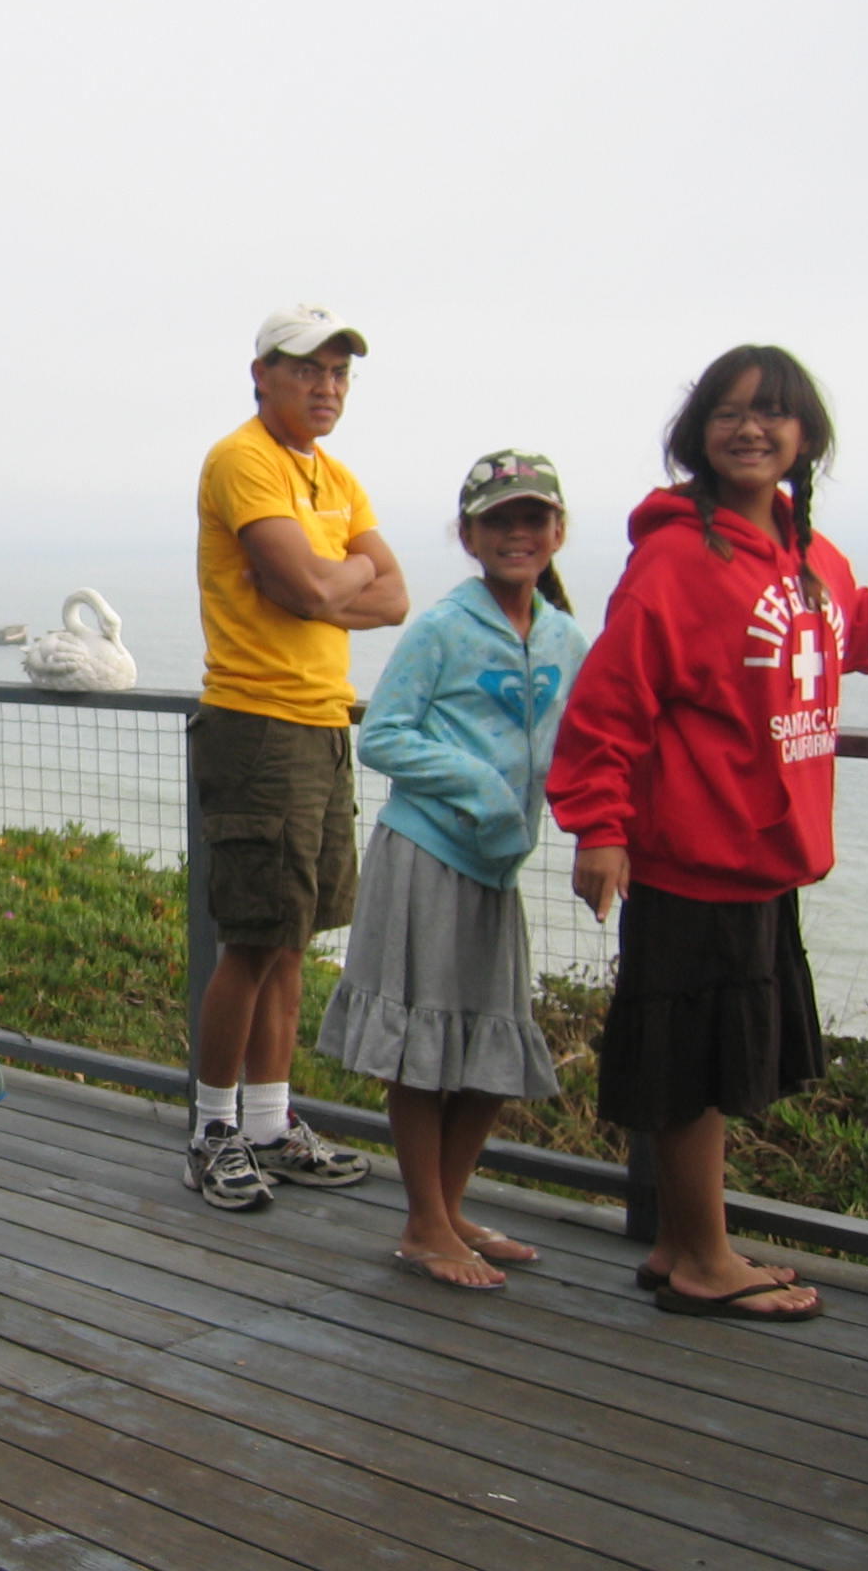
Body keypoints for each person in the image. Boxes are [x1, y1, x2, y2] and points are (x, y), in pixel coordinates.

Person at [546, 343, 868, 1320]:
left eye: (771, 411)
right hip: (696, 852)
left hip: (765, 854)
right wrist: (600, 828)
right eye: (727, 412)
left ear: (804, 435)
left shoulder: (809, 554)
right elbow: (610, 703)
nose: (749, 428)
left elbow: (847, 634)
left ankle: (683, 1242)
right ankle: (704, 1262)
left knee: (712, 1061)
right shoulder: (677, 559)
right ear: (698, 435)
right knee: (694, 1067)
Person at [316, 451, 588, 1287]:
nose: (517, 533)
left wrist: (606, 829)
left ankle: (449, 1207)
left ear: (558, 532)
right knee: (422, 1044)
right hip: (426, 854)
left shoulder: (566, 637)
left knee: (491, 1044)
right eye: (499, 520)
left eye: (533, 518)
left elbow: (581, 747)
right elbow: (383, 735)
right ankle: (425, 1224)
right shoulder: (441, 627)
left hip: (497, 869)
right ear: (468, 535)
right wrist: (480, 787)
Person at [186, 302, 409, 1210]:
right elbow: (324, 585)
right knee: (251, 941)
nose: (327, 386)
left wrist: (322, 588)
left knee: (291, 941)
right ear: (262, 375)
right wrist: (331, 581)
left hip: (322, 725)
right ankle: (212, 1130)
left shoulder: (335, 477)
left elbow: (392, 597)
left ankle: (271, 1125)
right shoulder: (243, 460)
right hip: (257, 725)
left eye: (339, 372)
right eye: (308, 368)